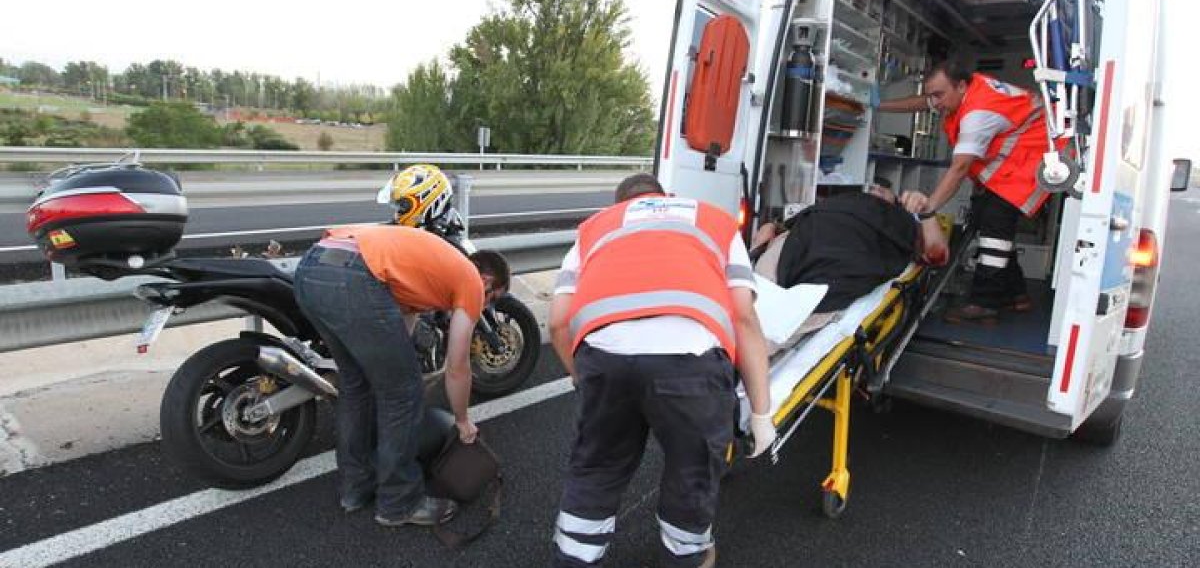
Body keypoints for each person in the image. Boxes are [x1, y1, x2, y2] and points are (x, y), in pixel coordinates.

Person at [547, 173, 775, 568]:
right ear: (665, 197)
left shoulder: (597, 228)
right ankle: (687, 556)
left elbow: (558, 323)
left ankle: (573, 560)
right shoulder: (713, 220)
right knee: (691, 475)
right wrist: (760, 413)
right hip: (690, 360)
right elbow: (743, 317)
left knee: (596, 471)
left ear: (619, 204)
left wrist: (582, 377)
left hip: (604, 356)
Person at [293, 223, 510, 527]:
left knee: (358, 386)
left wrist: (398, 367)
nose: (486, 305)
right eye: (492, 298)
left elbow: (398, 329)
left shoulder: (431, 272)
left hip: (313, 269)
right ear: (486, 280)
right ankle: (399, 502)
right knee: (403, 394)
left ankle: (355, 489)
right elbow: (458, 366)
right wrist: (462, 421)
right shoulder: (471, 281)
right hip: (354, 277)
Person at [875, 59, 1060, 323]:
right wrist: (879, 105)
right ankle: (1016, 294)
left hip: (1034, 157)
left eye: (938, 95)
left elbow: (959, 169)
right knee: (989, 223)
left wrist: (928, 210)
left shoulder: (977, 113)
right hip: (1020, 156)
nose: (934, 103)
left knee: (995, 223)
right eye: (932, 95)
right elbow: (922, 102)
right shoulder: (959, 91)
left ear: (961, 86)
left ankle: (984, 303)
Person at [749, 183, 947, 349]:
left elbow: (938, 253)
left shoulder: (903, 222)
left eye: (883, 188)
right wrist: (768, 231)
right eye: (872, 186)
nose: (875, 187)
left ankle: (738, 362)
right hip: (800, 242)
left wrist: (927, 212)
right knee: (749, 307)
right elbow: (783, 225)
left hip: (841, 265)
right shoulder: (844, 202)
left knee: (771, 330)